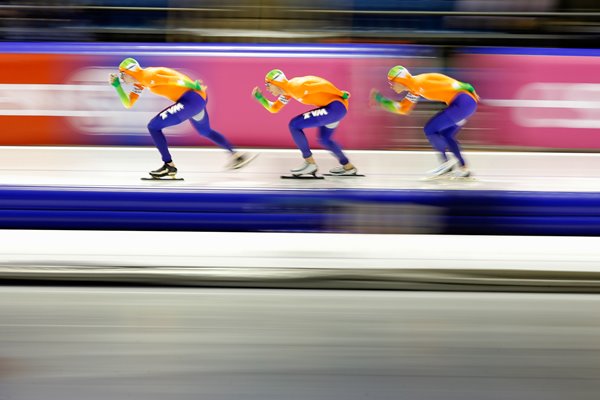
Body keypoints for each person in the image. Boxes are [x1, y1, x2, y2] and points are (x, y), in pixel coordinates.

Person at [109, 58, 254, 179]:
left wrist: (193, 85)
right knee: (205, 131)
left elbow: (174, 80)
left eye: (122, 75)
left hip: (191, 99)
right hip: (196, 99)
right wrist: (117, 87)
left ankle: (169, 166)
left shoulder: (148, 76)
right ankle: (236, 155)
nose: (122, 78)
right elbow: (128, 103)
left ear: (129, 72)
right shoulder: (141, 81)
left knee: (154, 126)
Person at [371, 65, 479, 178]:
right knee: (446, 134)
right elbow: (403, 108)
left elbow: (448, 83)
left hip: (463, 103)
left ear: (400, 80)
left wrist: (469, 87)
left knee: (430, 129)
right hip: (464, 104)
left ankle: (446, 164)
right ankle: (464, 168)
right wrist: (381, 100)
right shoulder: (415, 89)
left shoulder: (420, 83)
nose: (391, 86)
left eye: (392, 82)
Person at [252, 69, 357, 177]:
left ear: (276, 83)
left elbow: (322, 85)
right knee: (324, 140)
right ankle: (348, 166)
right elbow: (274, 108)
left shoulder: (296, 87)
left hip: (335, 107)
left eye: (268, 84)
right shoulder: (288, 92)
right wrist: (261, 98)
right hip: (334, 108)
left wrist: (340, 93)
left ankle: (310, 163)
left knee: (294, 125)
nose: (267, 88)